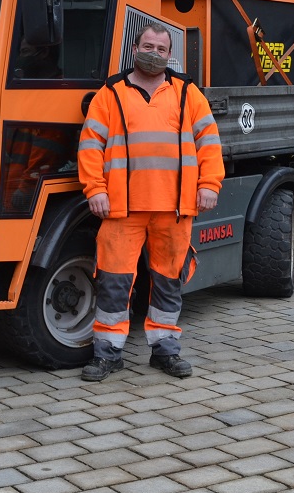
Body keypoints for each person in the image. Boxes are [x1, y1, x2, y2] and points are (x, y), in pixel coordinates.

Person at [77, 22, 225, 381]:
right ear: (134, 48)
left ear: (169, 54)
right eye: (148, 46)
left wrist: (210, 185)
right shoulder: (110, 94)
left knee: (169, 281)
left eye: (161, 49)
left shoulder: (188, 93)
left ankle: (165, 351)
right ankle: (108, 354)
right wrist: (95, 190)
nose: (153, 53)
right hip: (121, 209)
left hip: (174, 208)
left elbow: (209, 143)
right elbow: (90, 146)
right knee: (113, 283)